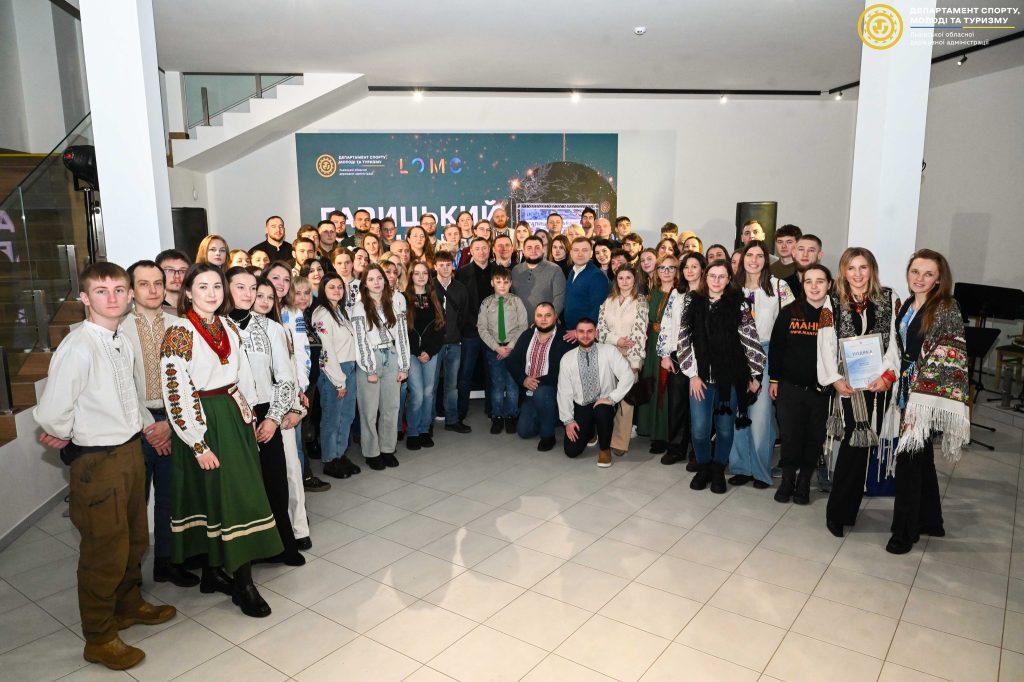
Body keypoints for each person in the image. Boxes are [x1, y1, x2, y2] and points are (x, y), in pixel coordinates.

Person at [35, 262, 175, 670]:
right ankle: (99, 637)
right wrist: (69, 434)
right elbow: (52, 415)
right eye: (101, 291)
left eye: (118, 290)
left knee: (134, 539)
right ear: (84, 298)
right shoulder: (79, 346)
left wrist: (147, 427)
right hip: (99, 461)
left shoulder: (120, 342)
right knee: (103, 551)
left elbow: (130, 396)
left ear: (129, 296)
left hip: (129, 451)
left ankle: (128, 605)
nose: (112, 298)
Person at [160, 263, 281, 618]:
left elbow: (242, 375)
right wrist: (197, 442)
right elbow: (176, 392)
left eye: (216, 286)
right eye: (203, 286)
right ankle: (242, 583)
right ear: (188, 292)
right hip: (203, 419)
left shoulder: (228, 325)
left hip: (233, 414)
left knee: (238, 495)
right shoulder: (179, 332)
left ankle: (215, 574)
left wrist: (249, 415)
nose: (211, 293)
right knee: (220, 498)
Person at [119, 261, 198, 588]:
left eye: (158, 283)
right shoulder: (118, 329)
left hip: (174, 422)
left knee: (171, 498)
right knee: (134, 503)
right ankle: (130, 573)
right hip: (136, 428)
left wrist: (171, 422)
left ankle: (167, 562)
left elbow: (190, 378)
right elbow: (121, 384)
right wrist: (150, 424)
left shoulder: (180, 325)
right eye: (144, 284)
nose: (153, 290)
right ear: (131, 290)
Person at [885, 250, 970, 554]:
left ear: (938, 279)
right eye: (915, 271)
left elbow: (949, 355)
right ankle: (931, 521)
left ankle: (904, 533)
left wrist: (918, 399)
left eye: (928, 274)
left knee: (908, 460)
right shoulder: (908, 304)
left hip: (925, 394)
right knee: (921, 458)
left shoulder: (946, 307)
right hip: (907, 389)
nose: (919, 278)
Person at [817, 247, 901, 538]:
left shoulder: (889, 297)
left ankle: (848, 510)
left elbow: (896, 341)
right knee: (854, 443)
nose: (857, 274)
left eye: (863, 267)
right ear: (843, 271)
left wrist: (888, 374)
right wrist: (834, 379)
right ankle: (837, 513)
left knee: (863, 448)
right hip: (848, 385)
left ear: (872, 269)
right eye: (851, 267)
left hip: (879, 385)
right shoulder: (832, 302)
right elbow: (825, 342)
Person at [225, 268, 305, 567]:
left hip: (266, 411)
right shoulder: (218, 326)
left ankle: (283, 545)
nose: (248, 295)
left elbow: (286, 378)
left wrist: (272, 419)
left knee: (275, 482)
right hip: (231, 414)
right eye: (241, 288)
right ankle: (248, 550)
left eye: (252, 289)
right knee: (242, 487)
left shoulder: (272, 328)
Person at [678, 260, 766, 494]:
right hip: (701, 380)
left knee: (725, 429)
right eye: (712, 276)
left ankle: (718, 469)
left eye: (722, 276)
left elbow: (750, 339)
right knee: (699, 430)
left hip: (731, 380)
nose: (716, 281)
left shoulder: (739, 305)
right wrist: (692, 375)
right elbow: (683, 340)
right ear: (705, 277)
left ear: (729, 280)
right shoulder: (692, 302)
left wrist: (755, 374)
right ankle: (704, 467)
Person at [729, 240, 794, 489]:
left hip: (766, 354)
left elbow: (790, 324)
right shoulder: (732, 288)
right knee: (739, 412)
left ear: (766, 260)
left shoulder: (779, 287)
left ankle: (760, 470)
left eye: (759, 256)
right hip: (737, 355)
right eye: (750, 255)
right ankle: (741, 467)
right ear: (742, 259)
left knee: (761, 416)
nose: (754, 260)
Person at [769, 263, 832, 505]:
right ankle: (787, 481)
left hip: (821, 391)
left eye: (820, 281)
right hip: (789, 387)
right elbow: (776, 348)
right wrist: (774, 379)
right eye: (808, 281)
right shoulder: (789, 311)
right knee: (790, 436)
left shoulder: (834, 314)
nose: (814, 286)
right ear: (803, 285)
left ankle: (804, 482)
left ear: (829, 285)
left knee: (814, 437)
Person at [351, 264, 411, 469]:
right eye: (371, 279)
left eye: (379, 278)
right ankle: (371, 452)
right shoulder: (359, 307)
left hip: (391, 356)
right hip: (371, 357)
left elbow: (402, 335)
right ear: (365, 284)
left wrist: (403, 365)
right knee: (369, 410)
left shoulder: (393, 303)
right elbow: (360, 340)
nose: (376, 282)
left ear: (385, 281)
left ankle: (387, 448)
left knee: (391, 407)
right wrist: (369, 368)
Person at [558, 318, 635, 467]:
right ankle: (591, 432)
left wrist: (612, 398)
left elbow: (628, 375)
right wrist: (568, 421)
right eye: (581, 331)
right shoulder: (567, 359)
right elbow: (564, 392)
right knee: (571, 451)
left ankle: (605, 449)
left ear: (596, 333)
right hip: (582, 405)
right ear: (576, 334)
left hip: (604, 403)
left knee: (601, 411)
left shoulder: (609, 351)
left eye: (589, 331)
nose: (585, 335)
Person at [657, 252, 705, 469]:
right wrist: (665, 354)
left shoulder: (710, 293)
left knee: (699, 407)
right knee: (677, 405)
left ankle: (698, 452)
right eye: (686, 267)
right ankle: (676, 448)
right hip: (678, 356)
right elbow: (667, 323)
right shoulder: (677, 294)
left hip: (703, 358)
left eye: (695, 266)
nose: (690, 270)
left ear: (702, 269)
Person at [310, 272, 361, 479]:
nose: (337, 290)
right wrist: (339, 381)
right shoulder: (322, 313)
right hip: (333, 372)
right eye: (332, 287)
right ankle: (330, 459)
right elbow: (327, 351)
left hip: (348, 367)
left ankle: (340, 454)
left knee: (346, 416)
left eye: (340, 287)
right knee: (332, 419)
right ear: (323, 289)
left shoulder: (339, 311)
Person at [598, 267, 647, 456]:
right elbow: (600, 331)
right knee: (606, 393)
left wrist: (635, 364)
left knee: (626, 398)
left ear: (635, 280)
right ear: (616, 280)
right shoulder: (608, 301)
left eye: (628, 278)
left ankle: (620, 441)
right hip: (608, 352)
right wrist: (616, 340)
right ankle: (602, 434)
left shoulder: (640, 301)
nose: (624, 281)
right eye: (621, 278)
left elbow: (640, 333)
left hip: (630, 354)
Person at [507, 303, 570, 451]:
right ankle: (553, 416)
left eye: (548, 315)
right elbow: (512, 361)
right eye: (539, 316)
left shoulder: (564, 337)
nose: (543, 319)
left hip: (553, 390)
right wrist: (523, 379)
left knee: (542, 393)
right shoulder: (527, 335)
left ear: (555, 317)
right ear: (534, 318)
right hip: (529, 391)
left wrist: (538, 382)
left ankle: (548, 436)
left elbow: (566, 370)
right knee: (524, 432)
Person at [478, 266, 529, 434]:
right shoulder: (486, 303)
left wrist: (510, 347)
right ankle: (497, 416)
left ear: (511, 283)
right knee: (497, 385)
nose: (502, 285)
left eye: (506, 282)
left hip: (513, 349)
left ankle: (511, 416)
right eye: (498, 282)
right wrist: (497, 348)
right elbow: (482, 328)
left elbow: (523, 326)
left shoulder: (516, 302)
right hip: (494, 349)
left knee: (513, 384)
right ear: (492, 283)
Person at [636, 254, 678, 453]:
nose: (666, 272)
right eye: (662, 268)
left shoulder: (680, 294)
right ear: (657, 271)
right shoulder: (652, 293)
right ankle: (651, 430)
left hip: (671, 345)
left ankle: (665, 435)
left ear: (677, 271)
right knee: (651, 384)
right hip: (652, 343)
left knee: (666, 389)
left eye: (671, 268)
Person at [404, 262, 445, 450]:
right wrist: (417, 351)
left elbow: (440, 328)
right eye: (416, 273)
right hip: (411, 353)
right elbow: (403, 331)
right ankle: (413, 432)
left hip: (431, 353)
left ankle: (424, 429)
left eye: (424, 273)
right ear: (410, 276)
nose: (421, 277)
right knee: (418, 393)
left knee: (429, 393)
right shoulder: (403, 299)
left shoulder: (435, 298)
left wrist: (429, 351)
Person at [455, 237, 494, 425]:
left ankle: (492, 410)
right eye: (477, 248)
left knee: (491, 373)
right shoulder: (462, 273)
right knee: (465, 373)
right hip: (471, 331)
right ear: (471, 251)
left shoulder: (498, 271)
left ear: (489, 249)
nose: (481, 252)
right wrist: (476, 323)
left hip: (493, 332)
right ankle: (460, 412)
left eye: (484, 248)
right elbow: (459, 304)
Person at [433, 251, 470, 432]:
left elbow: (464, 315)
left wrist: (455, 333)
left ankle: (452, 420)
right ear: (435, 266)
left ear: (453, 266)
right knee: (431, 385)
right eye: (441, 265)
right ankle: (427, 423)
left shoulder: (460, 288)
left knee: (451, 385)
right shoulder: (429, 286)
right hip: (434, 344)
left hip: (454, 343)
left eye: (448, 264)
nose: (445, 268)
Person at [562, 238, 608, 343]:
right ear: (571, 253)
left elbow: (598, 308)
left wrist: (580, 331)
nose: (580, 254)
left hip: (584, 335)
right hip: (571, 331)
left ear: (591, 253)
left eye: (584, 250)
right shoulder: (572, 272)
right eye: (576, 250)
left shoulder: (597, 276)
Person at [513, 235, 566, 319]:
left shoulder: (555, 269)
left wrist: (550, 318)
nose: (533, 251)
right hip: (520, 323)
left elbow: (560, 298)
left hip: (546, 323)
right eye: (529, 248)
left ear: (543, 250)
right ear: (523, 251)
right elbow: (512, 297)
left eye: (537, 248)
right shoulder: (516, 270)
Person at [157, 249, 190, 315]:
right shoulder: (150, 311)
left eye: (183, 271)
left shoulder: (198, 309)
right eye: (169, 270)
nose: (177, 276)